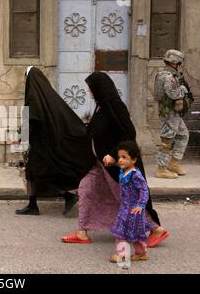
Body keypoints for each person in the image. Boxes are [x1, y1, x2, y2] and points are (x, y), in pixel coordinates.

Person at [61, 72, 169, 248]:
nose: (89, 92)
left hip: (116, 165)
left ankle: (156, 229)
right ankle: (82, 232)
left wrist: (113, 154)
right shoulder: (100, 107)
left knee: (125, 198)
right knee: (86, 189)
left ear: (100, 89)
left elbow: (129, 134)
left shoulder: (116, 107)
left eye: (91, 89)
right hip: (99, 164)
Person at [15, 67, 96, 216]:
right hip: (45, 144)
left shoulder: (33, 97)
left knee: (37, 173)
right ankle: (37, 203)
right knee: (38, 173)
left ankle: (64, 197)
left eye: (25, 78)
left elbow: (31, 119)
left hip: (41, 145)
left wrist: (22, 139)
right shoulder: (48, 95)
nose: (24, 81)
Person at [110, 141, 151, 263]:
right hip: (125, 208)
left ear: (133, 160)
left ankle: (121, 255)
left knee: (121, 232)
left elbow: (144, 190)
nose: (120, 160)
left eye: (124, 157)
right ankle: (141, 253)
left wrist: (141, 205)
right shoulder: (125, 171)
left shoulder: (135, 175)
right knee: (134, 232)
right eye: (119, 157)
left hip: (133, 209)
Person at [154, 50, 193, 179]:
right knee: (167, 140)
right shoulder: (168, 77)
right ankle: (161, 169)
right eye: (179, 63)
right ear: (175, 62)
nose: (180, 65)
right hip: (169, 112)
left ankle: (174, 163)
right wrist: (183, 90)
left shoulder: (163, 74)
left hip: (172, 112)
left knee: (183, 135)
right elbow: (172, 94)